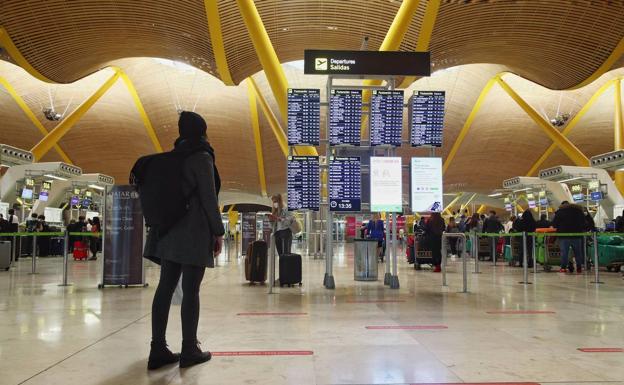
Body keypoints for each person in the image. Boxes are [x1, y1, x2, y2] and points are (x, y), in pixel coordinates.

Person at [145, 111, 224, 370]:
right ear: (203, 131)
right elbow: (209, 199)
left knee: (165, 287)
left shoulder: (173, 157)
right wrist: (218, 232)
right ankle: (189, 348)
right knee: (191, 290)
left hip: (168, 231)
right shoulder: (202, 157)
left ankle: (158, 348)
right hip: (193, 232)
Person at [552, 201, 586, 274]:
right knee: (578, 253)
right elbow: (584, 223)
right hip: (577, 235)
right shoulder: (579, 211)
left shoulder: (560, 212)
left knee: (564, 252)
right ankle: (579, 268)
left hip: (564, 235)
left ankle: (563, 268)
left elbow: (554, 224)